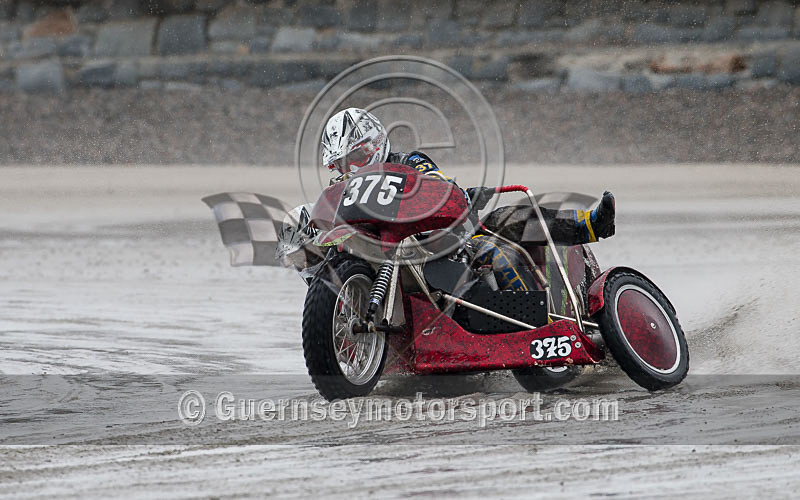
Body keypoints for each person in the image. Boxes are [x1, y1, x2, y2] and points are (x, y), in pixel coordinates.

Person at [320, 107, 616, 291]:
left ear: (375, 144)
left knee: (505, 229)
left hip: (442, 243)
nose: (353, 169)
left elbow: (437, 183)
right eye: (344, 164)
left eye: (357, 157)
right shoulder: (343, 193)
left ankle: (591, 224)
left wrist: (457, 194)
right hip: (384, 261)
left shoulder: (409, 162)